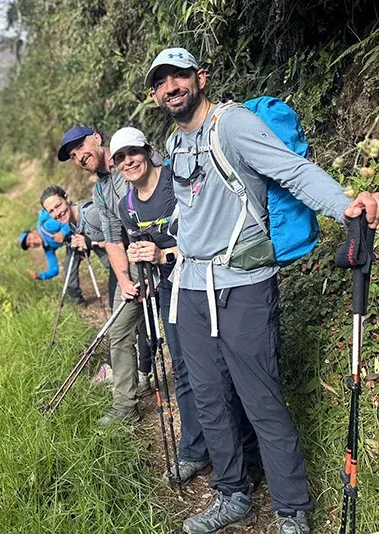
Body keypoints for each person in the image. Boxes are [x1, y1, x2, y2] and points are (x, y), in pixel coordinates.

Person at [147, 46, 379, 534]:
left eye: (179, 76)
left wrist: (345, 206)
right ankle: (233, 495)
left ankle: (292, 511)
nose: (172, 87)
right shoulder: (173, 144)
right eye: (162, 81)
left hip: (243, 286)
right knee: (211, 399)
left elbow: (290, 169)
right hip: (190, 287)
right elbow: (192, 212)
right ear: (155, 95)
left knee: (261, 399)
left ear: (201, 78)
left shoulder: (232, 126)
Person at [109, 126, 264, 486]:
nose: (129, 161)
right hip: (171, 290)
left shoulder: (175, 181)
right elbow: (143, 247)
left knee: (225, 367)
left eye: (134, 152)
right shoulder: (127, 206)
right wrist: (142, 259)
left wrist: (165, 253)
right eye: (121, 158)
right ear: (115, 165)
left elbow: (209, 228)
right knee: (184, 369)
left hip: (211, 282)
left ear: (148, 151)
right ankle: (195, 451)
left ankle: (247, 450)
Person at [56, 127, 162, 422]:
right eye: (73, 155)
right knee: (119, 331)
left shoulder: (131, 159)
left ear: (97, 138)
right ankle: (126, 406)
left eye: (79, 147)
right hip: (136, 264)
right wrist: (126, 281)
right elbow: (114, 239)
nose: (78, 156)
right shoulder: (100, 191)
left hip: (171, 255)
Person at [39, 185, 154, 395]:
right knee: (122, 323)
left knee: (139, 323)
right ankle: (125, 371)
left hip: (131, 266)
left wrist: (90, 242)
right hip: (116, 270)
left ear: (67, 197)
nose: (57, 212)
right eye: (52, 211)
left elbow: (123, 235)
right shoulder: (72, 223)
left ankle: (142, 373)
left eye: (58, 205)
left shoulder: (90, 213)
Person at [18, 208, 87, 305]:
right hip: (75, 243)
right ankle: (79, 302)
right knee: (68, 269)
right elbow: (55, 269)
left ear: (33, 232)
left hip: (85, 230)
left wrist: (62, 233)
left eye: (30, 238)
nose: (32, 242)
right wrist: (40, 276)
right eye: (30, 244)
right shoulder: (48, 248)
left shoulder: (47, 227)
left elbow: (68, 219)